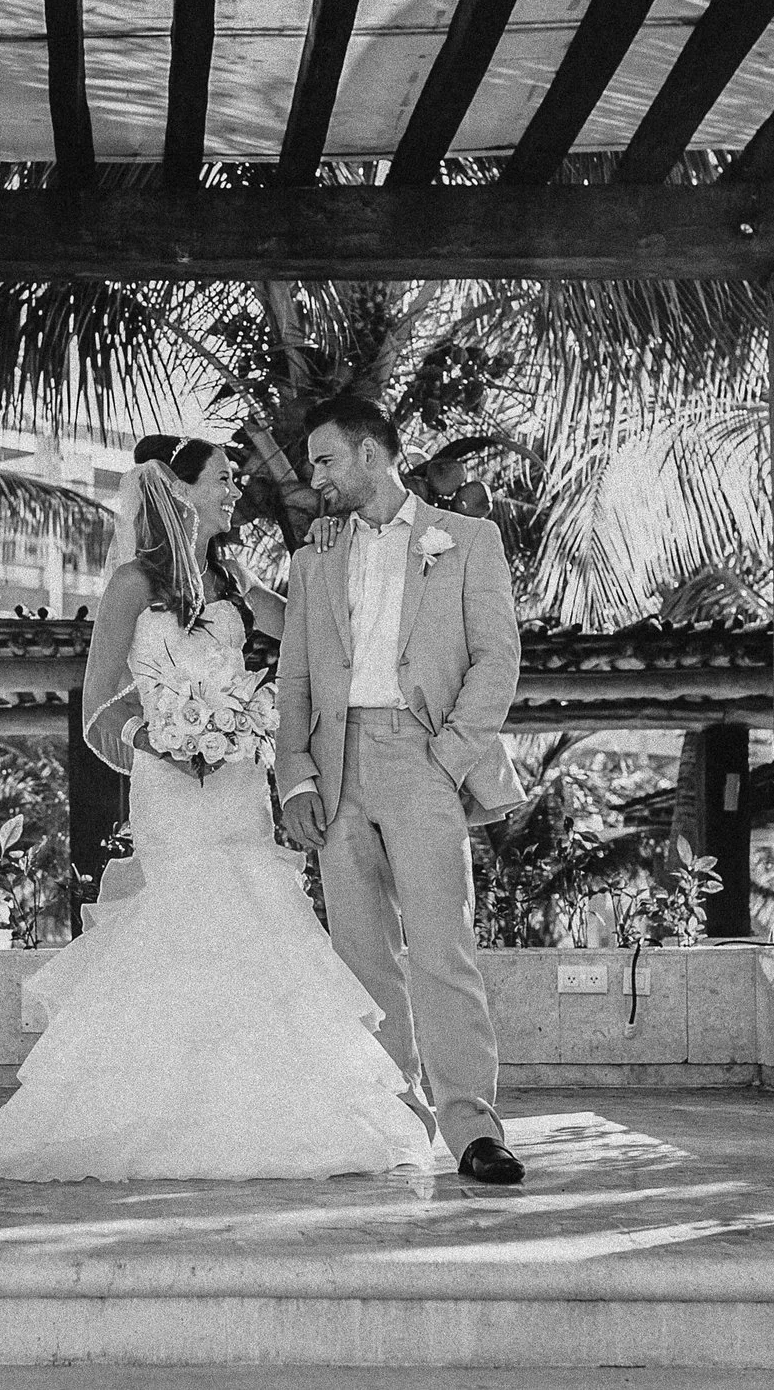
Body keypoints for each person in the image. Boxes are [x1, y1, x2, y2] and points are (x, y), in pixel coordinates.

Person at [0, 434, 432, 1181]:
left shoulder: (234, 581)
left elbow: (313, 625)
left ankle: (261, 1117)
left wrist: (316, 559)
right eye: (223, 478)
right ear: (181, 490)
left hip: (239, 786)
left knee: (258, 926)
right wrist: (164, 736)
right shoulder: (132, 583)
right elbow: (96, 710)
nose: (233, 489)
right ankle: (157, 1115)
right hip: (171, 789)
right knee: (189, 928)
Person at [276, 395, 529, 1186]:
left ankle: (471, 1130)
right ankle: (393, 1120)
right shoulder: (314, 554)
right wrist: (296, 776)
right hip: (337, 760)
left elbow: (497, 659)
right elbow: (296, 678)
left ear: (371, 456)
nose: (313, 477)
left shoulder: (468, 540)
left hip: (423, 757)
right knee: (360, 958)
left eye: (324, 460)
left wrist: (449, 756)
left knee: (441, 948)